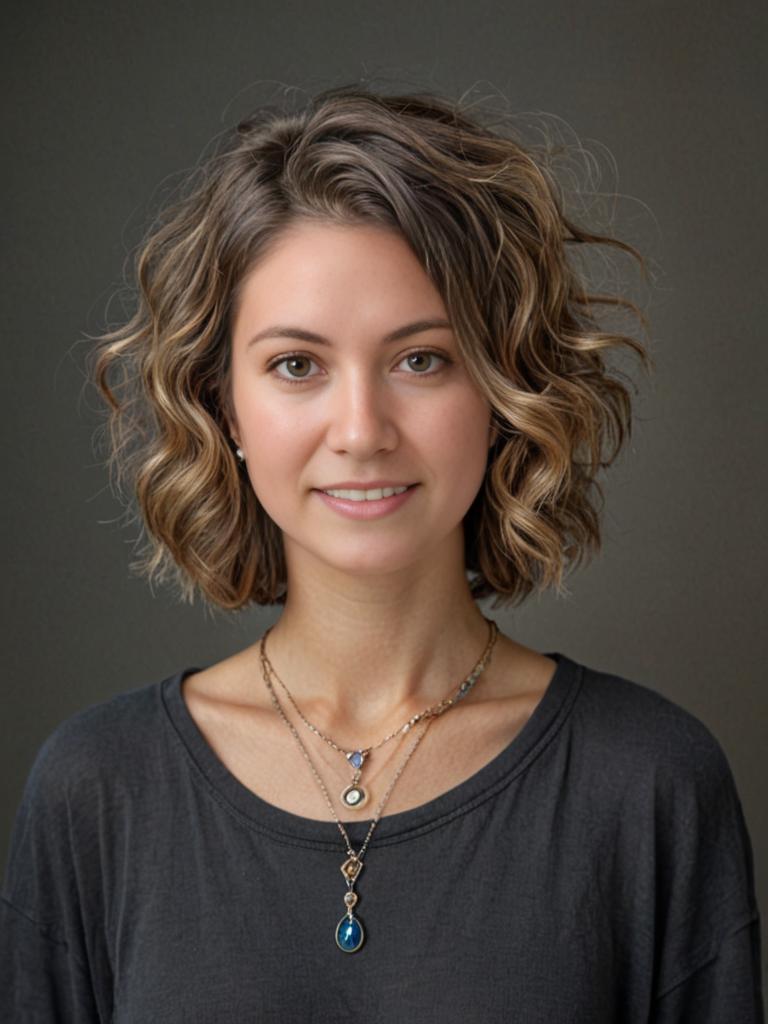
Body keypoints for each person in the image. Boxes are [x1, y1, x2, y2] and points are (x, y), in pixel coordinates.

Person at [1, 83, 763, 1022]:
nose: (361, 430)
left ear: (502, 390)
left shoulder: (651, 784)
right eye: (296, 365)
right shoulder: (96, 792)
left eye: (421, 359)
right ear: (224, 405)